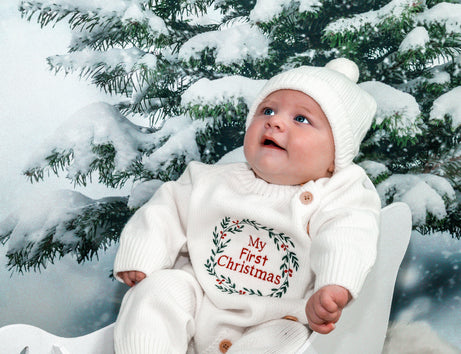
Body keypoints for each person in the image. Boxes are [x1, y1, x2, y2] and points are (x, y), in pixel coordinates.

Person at [113, 58, 381, 354]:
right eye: (267, 110)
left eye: (301, 119)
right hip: (201, 299)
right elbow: (166, 210)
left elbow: (349, 234)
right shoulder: (210, 181)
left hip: (279, 318)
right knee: (157, 292)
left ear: (335, 158)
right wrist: (144, 255)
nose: (275, 121)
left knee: (287, 340)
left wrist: (335, 283)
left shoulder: (338, 196)